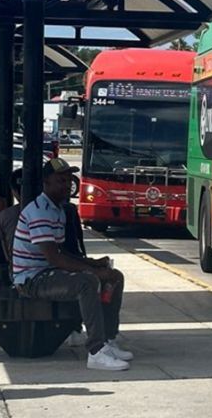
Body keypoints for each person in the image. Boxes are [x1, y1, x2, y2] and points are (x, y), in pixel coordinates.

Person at [12, 158, 131, 371]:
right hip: (32, 279)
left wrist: (92, 262)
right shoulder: (39, 211)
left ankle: (108, 339)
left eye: (68, 180)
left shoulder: (56, 209)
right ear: (46, 183)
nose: (67, 185)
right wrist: (92, 270)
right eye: (60, 181)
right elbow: (53, 257)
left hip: (48, 272)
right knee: (87, 282)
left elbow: (61, 252)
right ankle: (96, 351)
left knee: (114, 277)